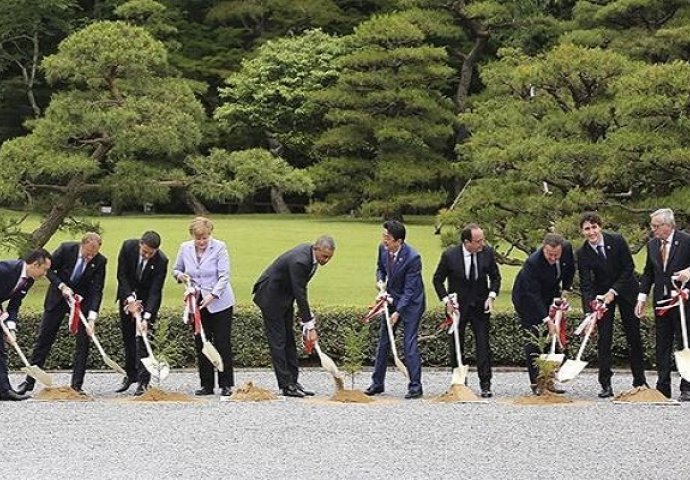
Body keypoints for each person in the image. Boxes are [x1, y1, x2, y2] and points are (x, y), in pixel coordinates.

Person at [17, 233, 107, 395]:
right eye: (88, 253)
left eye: (93, 254)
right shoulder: (66, 249)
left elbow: (96, 290)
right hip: (58, 299)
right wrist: (61, 286)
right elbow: (49, 270)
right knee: (44, 340)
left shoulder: (100, 261)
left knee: (83, 344)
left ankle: (77, 386)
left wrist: (92, 318)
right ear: (82, 245)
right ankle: (29, 382)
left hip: (80, 303)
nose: (90, 257)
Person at [252, 236, 335, 398]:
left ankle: (293, 382)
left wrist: (306, 318)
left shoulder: (312, 257)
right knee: (279, 342)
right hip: (270, 297)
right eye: (324, 256)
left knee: (289, 339)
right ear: (316, 249)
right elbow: (300, 293)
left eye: (330, 257)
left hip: (284, 297)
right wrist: (309, 325)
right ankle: (286, 385)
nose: (326, 260)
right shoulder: (300, 261)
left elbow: (299, 289)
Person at [576, 212, 647, 398]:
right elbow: (586, 284)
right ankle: (605, 384)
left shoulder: (617, 240)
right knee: (604, 339)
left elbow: (628, 268)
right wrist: (589, 310)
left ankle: (640, 380)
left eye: (594, 227)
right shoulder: (582, 253)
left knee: (633, 336)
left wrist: (613, 291)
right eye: (587, 229)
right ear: (581, 231)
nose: (591, 232)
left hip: (626, 290)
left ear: (600, 226)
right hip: (602, 298)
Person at [432, 223, 501, 397]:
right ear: (466, 242)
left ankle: (486, 384)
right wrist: (447, 300)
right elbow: (437, 279)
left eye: (482, 240)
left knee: (483, 344)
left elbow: (495, 277)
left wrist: (491, 296)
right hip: (457, 308)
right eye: (478, 241)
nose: (482, 244)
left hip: (480, 306)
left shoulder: (487, 253)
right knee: (456, 344)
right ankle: (459, 382)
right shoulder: (450, 255)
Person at [173, 217, 235, 396]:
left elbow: (224, 276)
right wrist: (181, 277)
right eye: (198, 238)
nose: (201, 242)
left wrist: (213, 295)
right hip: (197, 302)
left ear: (210, 235)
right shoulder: (185, 248)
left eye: (204, 238)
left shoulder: (220, 247)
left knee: (222, 342)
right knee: (202, 342)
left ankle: (226, 383)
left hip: (220, 302)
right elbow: (176, 270)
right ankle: (206, 384)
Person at [365, 220, 425, 399]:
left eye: (388, 239)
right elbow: (380, 269)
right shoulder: (382, 249)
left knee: (409, 343)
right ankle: (377, 383)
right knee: (383, 342)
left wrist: (398, 312)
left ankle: (415, 386)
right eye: (383, 236)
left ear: (399, 241)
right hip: (390, 299)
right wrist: (380, 282)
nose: (385, 241)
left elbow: (410, 290)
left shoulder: (413, 258)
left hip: (411, 304)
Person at [635, 208, 690, 401]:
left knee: (685, 343)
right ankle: (663, 386)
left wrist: (689, 272)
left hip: (684, 302)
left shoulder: (686, 240)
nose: (653, 230)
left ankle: (687, 386)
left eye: (656, 226)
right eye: (653, 226)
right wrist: (642, 297)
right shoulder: (652, 245)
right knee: (662, 344)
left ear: (668, 225)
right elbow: (649, 273)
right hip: (661, 302)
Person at [512, 233, 575, 394]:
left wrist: (565, 290)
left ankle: (549, 380)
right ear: (543, 248)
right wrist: (548, 319)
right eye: (549, 254)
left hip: (549, 293)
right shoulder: (532, 263)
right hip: (527, 299)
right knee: (534, 339)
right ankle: (537, 384)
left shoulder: (567, 249)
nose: (553, 258)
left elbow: (570, 269)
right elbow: (533, 294)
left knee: (549, 341)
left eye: (556, 255)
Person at [115, 231, 168, 396]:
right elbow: (121, 275)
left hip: (147, 302)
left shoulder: (161, 261)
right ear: (140, 244)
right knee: (128, 339)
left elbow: (155, 291)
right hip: (127, 297)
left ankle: (143, 382)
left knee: (144, 342)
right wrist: (130, 299)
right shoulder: (127, 247)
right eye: (144, 252)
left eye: (150, 253)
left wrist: (146, 317)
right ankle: (130, 375)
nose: (146, 256)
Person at [0, 249, 52, 401]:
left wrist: (11, 328)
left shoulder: (28, 280)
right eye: (45, 269)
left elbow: (14, 305)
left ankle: (4, 390)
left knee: (0, 351)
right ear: (36, 264)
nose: (45, 274)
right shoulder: (5, 270)